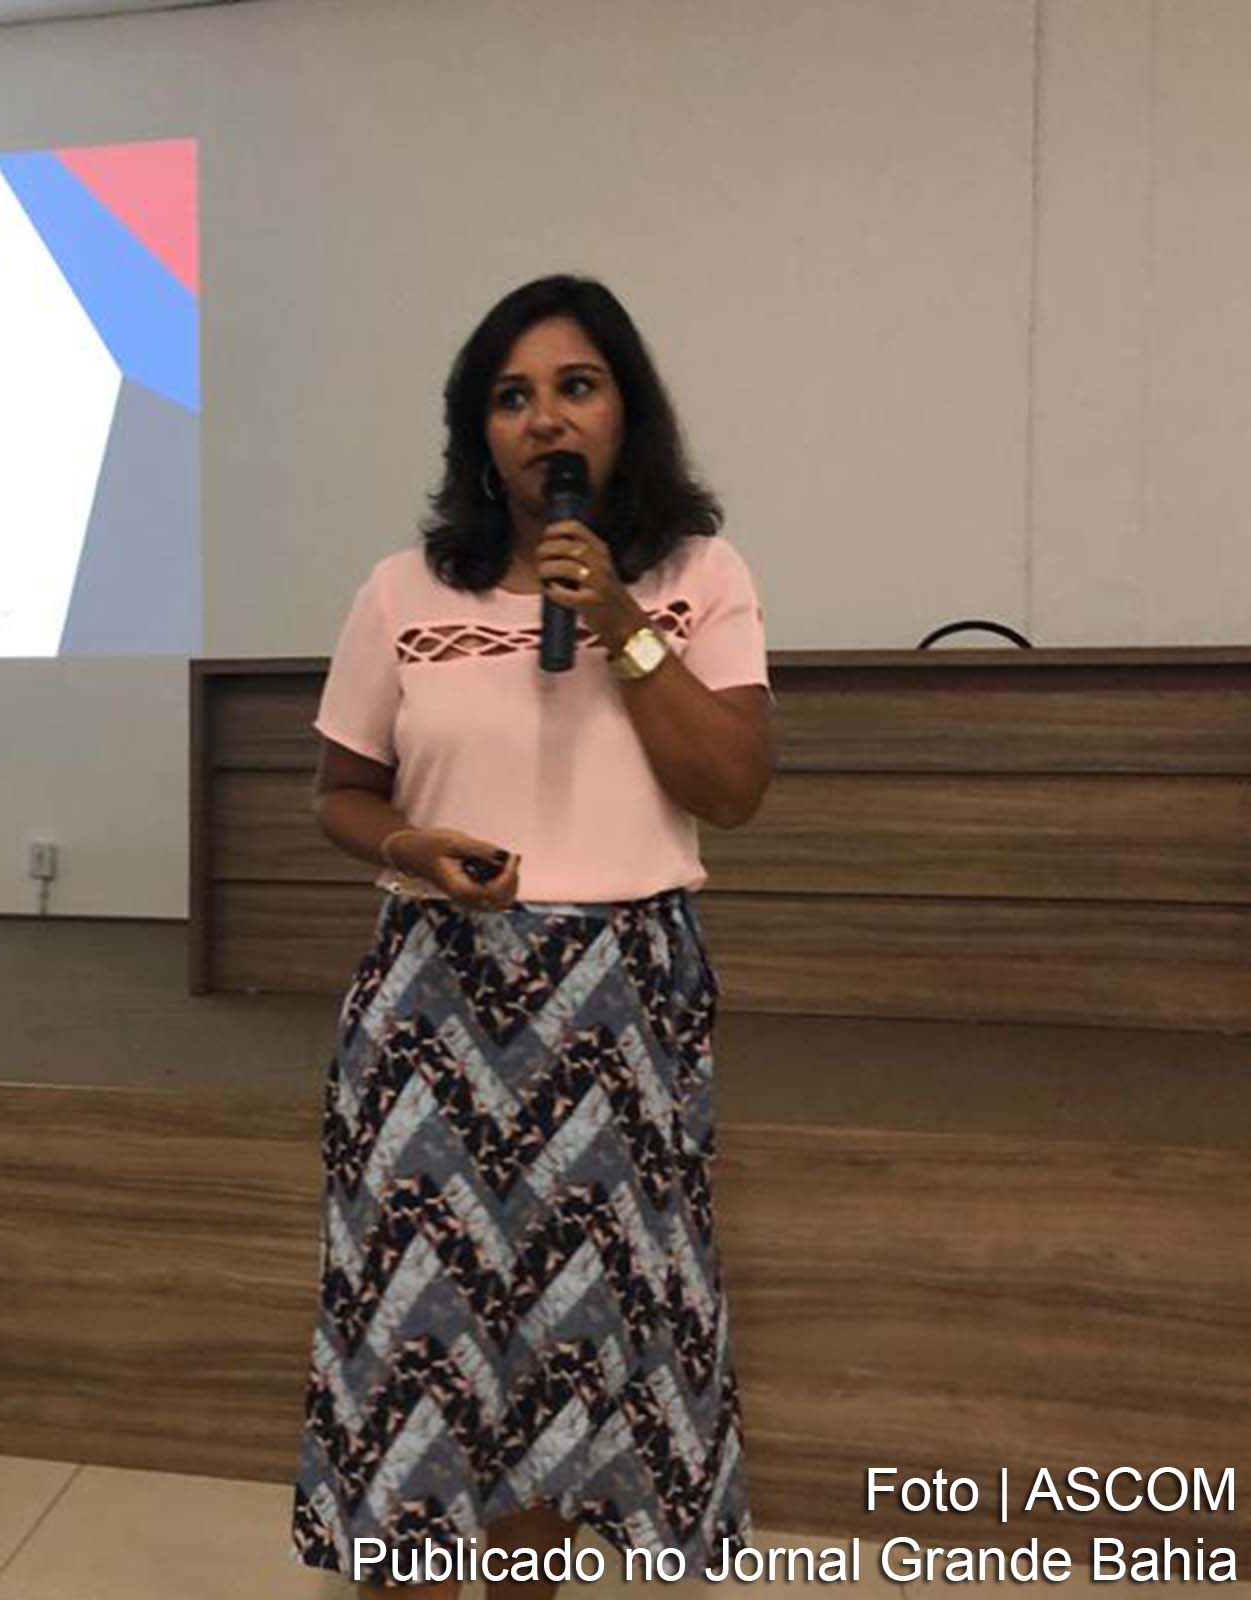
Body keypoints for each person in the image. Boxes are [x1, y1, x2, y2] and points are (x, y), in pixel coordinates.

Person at [290, 274, 772, 1600]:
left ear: (626, 409)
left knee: (575, 1347)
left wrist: (618, 618)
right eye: (511, 397)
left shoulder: (696, 581)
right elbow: (340, 793)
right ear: (477, 432)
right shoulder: (402, 592)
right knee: (421, 1342)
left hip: (623, 1009)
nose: (544, 418)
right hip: (435, 1006)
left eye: (575, 386)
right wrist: (410, 847)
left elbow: (730, 788)